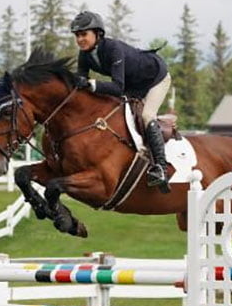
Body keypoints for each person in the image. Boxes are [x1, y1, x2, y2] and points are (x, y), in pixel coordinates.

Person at [70, 10, 172, 189]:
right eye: (77, 35)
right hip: (133, 85)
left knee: (147, 115)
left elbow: (117, 87)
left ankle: (161, 168)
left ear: (98, 33)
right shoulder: (84, 55)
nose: (80, 39)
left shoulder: (113, 49)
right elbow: (81, 85)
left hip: (155, 77)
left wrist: (90, 84)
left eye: (83, 34)